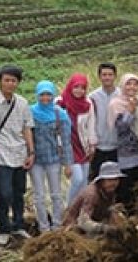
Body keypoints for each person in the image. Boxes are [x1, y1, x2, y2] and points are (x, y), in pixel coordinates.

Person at [0, 65, 35, 245]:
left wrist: (31, 152)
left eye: (14, 80)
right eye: (7, 80)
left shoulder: (23, 103)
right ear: (0, 81)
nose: (10, 84)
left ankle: (18, 226)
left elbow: (27, 128)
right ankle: (4, 228)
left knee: (19, 192)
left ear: (18, 82)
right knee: (4, 193)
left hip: (19, 153)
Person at [29, 80, 73, 233]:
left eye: (49, 94)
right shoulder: (30, 112)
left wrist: (68, 164)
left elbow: (66, 141)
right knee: (39, 196)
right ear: (37, 95)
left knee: (56, 194)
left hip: (54, 160)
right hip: (36, 161)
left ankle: (57, 225)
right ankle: (44, 228)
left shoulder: (60, 114)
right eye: (42, 95)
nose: (45, 98)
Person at [107, 73, 138, 212]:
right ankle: (127, 220)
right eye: (128, 84)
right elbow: (121, 127)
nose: (132, 87)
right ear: (122, 86)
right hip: (126, 155)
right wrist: (130, 111)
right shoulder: (116, 103)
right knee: (127, 190)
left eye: (135, 84)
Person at [58, 73, 98, 206]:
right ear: (70, 87)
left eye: (82, 87)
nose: (79, 90)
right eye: (76, 87)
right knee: (77, 178)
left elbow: (91, 124)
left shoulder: (88, 103)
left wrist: (92, 145)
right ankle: (69, 208)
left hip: (82, 145)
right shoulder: (60, 103)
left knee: (84, 181)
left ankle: (79, 210)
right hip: (68, 146)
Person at [62, 161, 126, 237]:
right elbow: (83, 222)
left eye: (116, 180)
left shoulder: (109, 191)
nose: (113, 183)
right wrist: (104, 228)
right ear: (102, 180)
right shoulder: (91, 194)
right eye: (109, 180)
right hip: (75, 227)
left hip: (95, 222)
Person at [88, 62, 120, 181]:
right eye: (104, 74)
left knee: (116, 180)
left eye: (110, 74)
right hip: (98, 147)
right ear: (99, 77)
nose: (107, 77)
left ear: (115, 76)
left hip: (117, 146)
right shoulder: (92, 97)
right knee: (97, 179)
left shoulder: (122, 95)